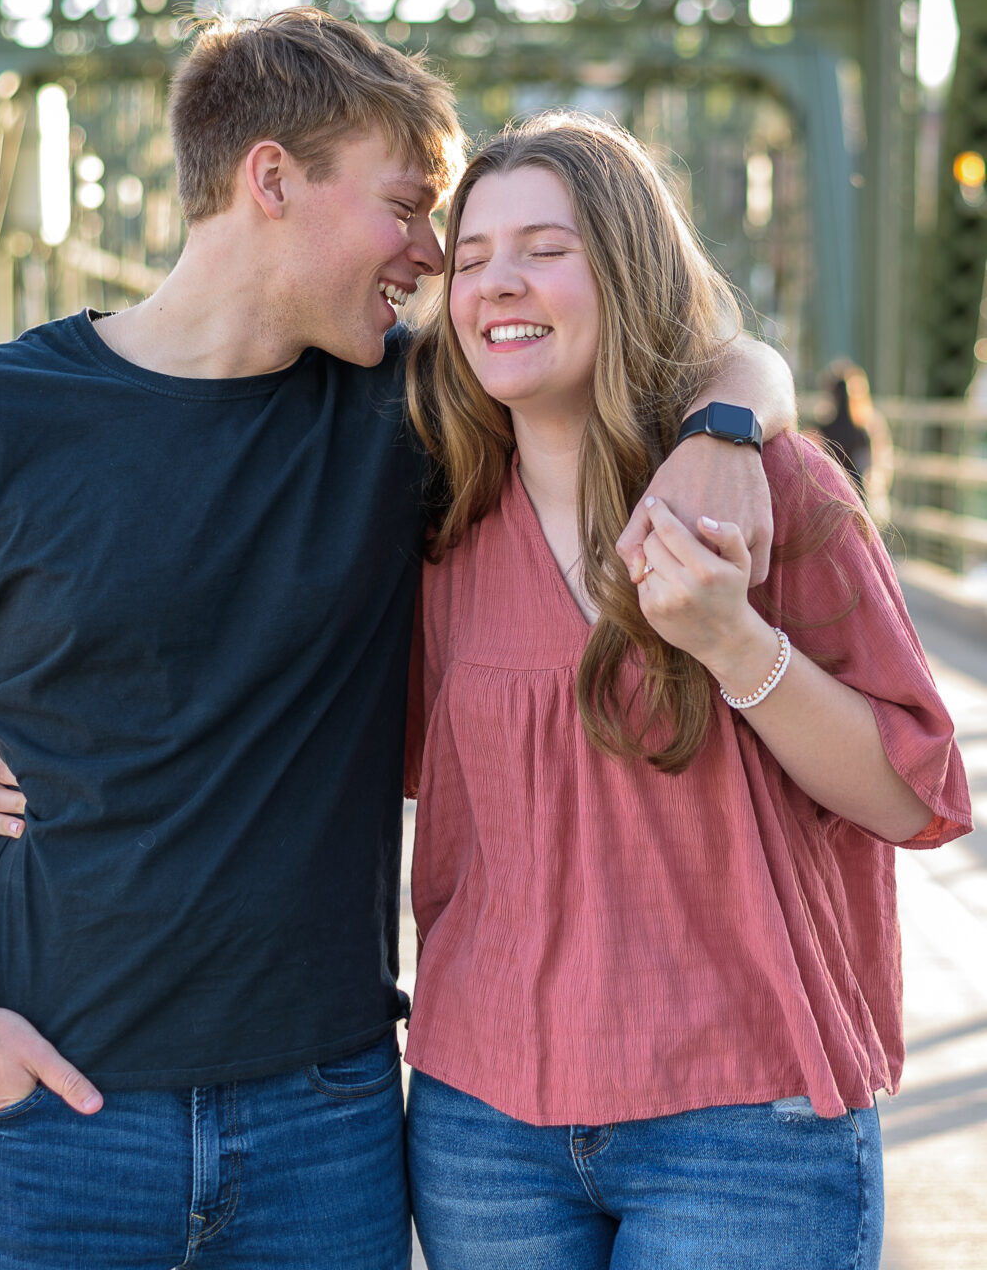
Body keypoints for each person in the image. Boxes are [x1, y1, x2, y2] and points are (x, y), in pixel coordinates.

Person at [0, 10, 794, 1270]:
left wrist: (729, 425)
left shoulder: (417, 409)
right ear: (272, 178)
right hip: (43, 1117)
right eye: (406, 206)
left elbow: (684, 343)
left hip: (324, 1134)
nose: (432, 252)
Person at [395, 114, 970, 1269]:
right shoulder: (438, 523)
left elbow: (914, 798)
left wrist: (732, 642)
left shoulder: (770, 493)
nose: (500, 280)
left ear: (626, 268)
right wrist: (55, 769)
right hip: (483, 1124)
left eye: (547, 248)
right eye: (471, 256)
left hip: (741, 1120)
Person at [815, 358, 893, 517]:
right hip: (862, 501)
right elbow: (876, 468)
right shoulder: (867, 427)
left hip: (833, 501)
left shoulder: (823, 428)